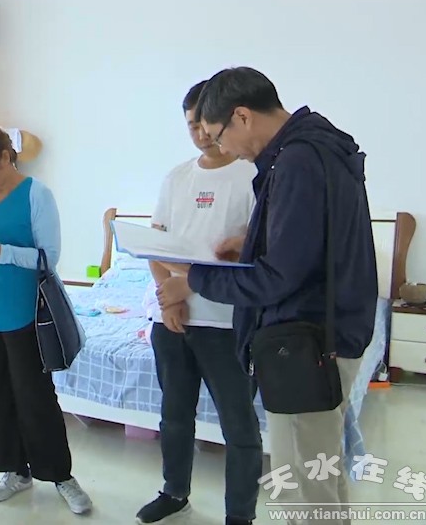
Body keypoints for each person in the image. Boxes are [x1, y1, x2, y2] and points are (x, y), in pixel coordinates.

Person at [156, 67, 378, 525]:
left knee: (303, 482)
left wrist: (196, 279)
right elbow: (307, 246)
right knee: (322, 471)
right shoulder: (319, 145)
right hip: (331, 330)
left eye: (219, 136)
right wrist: (252, 243)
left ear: (242, 116)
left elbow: (278, 278)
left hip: (305, 342)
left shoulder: (297, 161)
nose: (224, 148)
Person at [0, 122, 93, 516]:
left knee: (35, 397)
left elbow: (48, 258)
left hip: (25, 312)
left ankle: (61, 476)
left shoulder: (37, 194)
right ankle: (15, 471)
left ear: (6, 157)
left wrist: (1, 252)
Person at [137, 81, 262, 525]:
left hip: (227, 323)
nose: (201, 134)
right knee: (174, 415)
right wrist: (169, 300)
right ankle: (174, 493)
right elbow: (154, 246)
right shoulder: (177, 178)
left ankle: (240, 515)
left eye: (205, 124)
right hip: (172, 322)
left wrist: (186, 288)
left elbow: (252, 254)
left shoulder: (252, 176)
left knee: (239, 426)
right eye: (191, 126)